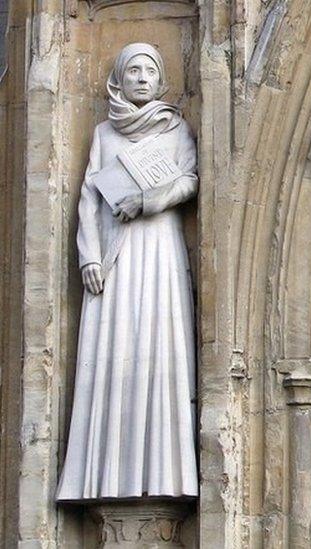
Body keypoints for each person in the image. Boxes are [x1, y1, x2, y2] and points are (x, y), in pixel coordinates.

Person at [57, 43, 198, 501]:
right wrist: (90, 256)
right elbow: (87, 198)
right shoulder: (104, 133)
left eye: (150, 71)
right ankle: (102, 474)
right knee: (115, 349)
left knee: (159, 346)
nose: (141, 78)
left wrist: (149, 199)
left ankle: (164, 474)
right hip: (117, 252)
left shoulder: (176, 129)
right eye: (132, 70)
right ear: (118, 79)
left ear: (161, 82)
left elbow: (189, 179)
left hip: (157, 246)